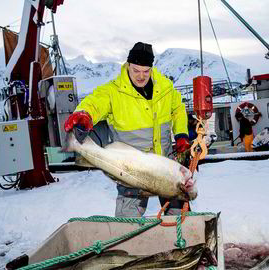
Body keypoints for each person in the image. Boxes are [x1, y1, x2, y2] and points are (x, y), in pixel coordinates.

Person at [64, 42, 191, 217]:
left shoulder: (165, 88)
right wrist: (85, 113)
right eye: (136, 70)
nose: (141, 76)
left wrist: (181, 134)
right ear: (128, 66)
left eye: (145, 71)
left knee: (180, 216)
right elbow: (95, 102)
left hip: (165, 165)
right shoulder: (113, 91)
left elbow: (178, 109)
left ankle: (180, 242)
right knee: (127, 224)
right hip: (130, 169)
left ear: (151, 68)